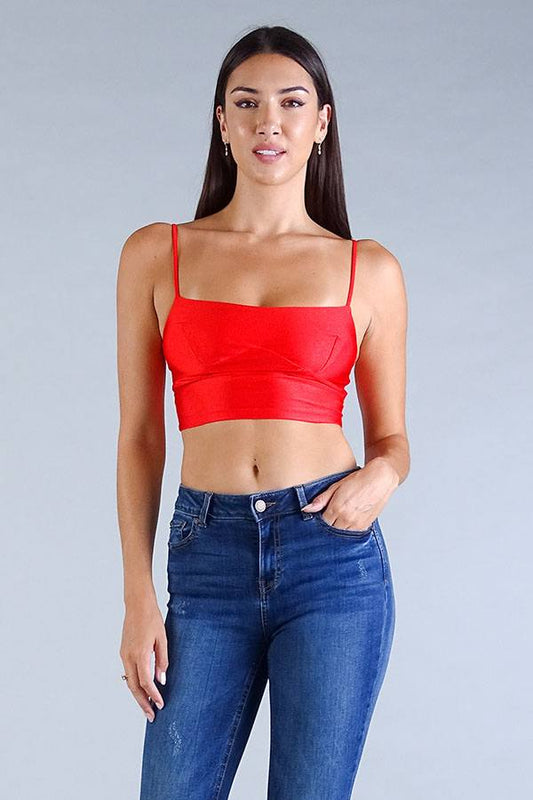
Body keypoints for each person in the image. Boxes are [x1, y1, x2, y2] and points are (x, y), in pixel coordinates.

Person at [116, 24, 409, 800]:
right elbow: (140, 437)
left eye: (290, 103)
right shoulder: (156, 253)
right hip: (205, 557)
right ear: (221, 123)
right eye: (245, 104)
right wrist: (138, 594)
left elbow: (391, 439)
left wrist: (383, 475)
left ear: (321, 123)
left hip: (330, 561)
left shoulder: (368, 269)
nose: (267, 122)